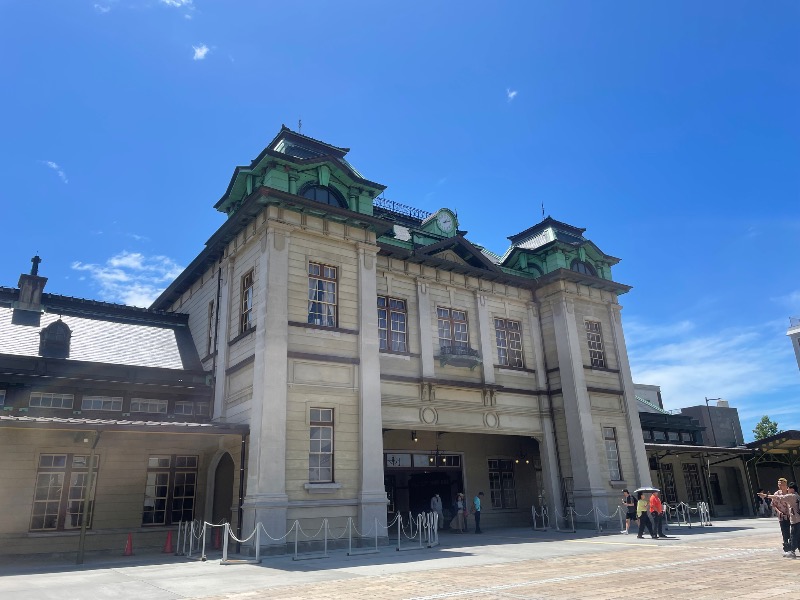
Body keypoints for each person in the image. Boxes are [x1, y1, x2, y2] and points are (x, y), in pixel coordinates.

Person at [760, 477, 793, 556]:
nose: (780, 486)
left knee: (794, 533)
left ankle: (793, 548)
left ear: (785, 484)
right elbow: (773, 505)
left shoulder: (790, 492)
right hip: (782, 517)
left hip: (792, 516)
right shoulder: (776, 494)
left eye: (781, 484)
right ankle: (787, 549)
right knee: (785, 533)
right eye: (779, 484)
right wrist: (779, 512)